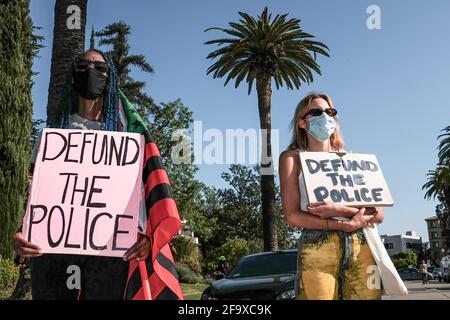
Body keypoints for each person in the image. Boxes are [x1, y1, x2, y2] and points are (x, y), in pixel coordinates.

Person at [11, 50, 176, 300]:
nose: (91, 72)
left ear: (110, 78)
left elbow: (141, 196)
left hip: (109, 256)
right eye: (83, 66)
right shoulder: (51, 138)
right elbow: (32, 196)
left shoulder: (127, 139)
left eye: (100, 68)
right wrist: (22, 234)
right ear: (72, 76)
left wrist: (146, 238)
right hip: (52, 257)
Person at [279, 92, 385, 300]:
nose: (325, 116)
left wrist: (341, 211)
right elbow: (292, 216)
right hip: (318, 243)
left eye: (330, 112)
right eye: (317, 112)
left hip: (363, 244)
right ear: (302, 122)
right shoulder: (292, 158)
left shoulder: (353, 160)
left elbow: (378, 214)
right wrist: (343, 224)